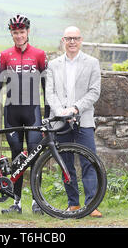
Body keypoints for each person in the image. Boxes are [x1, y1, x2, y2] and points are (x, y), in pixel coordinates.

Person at [45, 26, 102, 218]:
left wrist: (76, 108)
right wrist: (61, 111)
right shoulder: (53, 65)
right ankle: (73, 204)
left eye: (75, 38)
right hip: (61, 122)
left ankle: (91, 204)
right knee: (66, 164)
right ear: (63, 40)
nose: (72, 42)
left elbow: (94, 92)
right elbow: (50, 93)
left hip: (83, 119)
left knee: (89, 162)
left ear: (81, 40)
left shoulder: (92, 63)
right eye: (68, 38)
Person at [0, 14, 49, 214]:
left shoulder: (39, 54)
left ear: (28, 32)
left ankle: (37, 202)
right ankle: (16, 203)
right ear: (11, 33)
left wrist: (49, 113)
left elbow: (47, 86)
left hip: (33, 111)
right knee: (16, 157)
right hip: (12, 112)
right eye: (15, 32)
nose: (18, 35)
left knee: (35, 156)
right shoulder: (5, 55)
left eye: (22, 32)